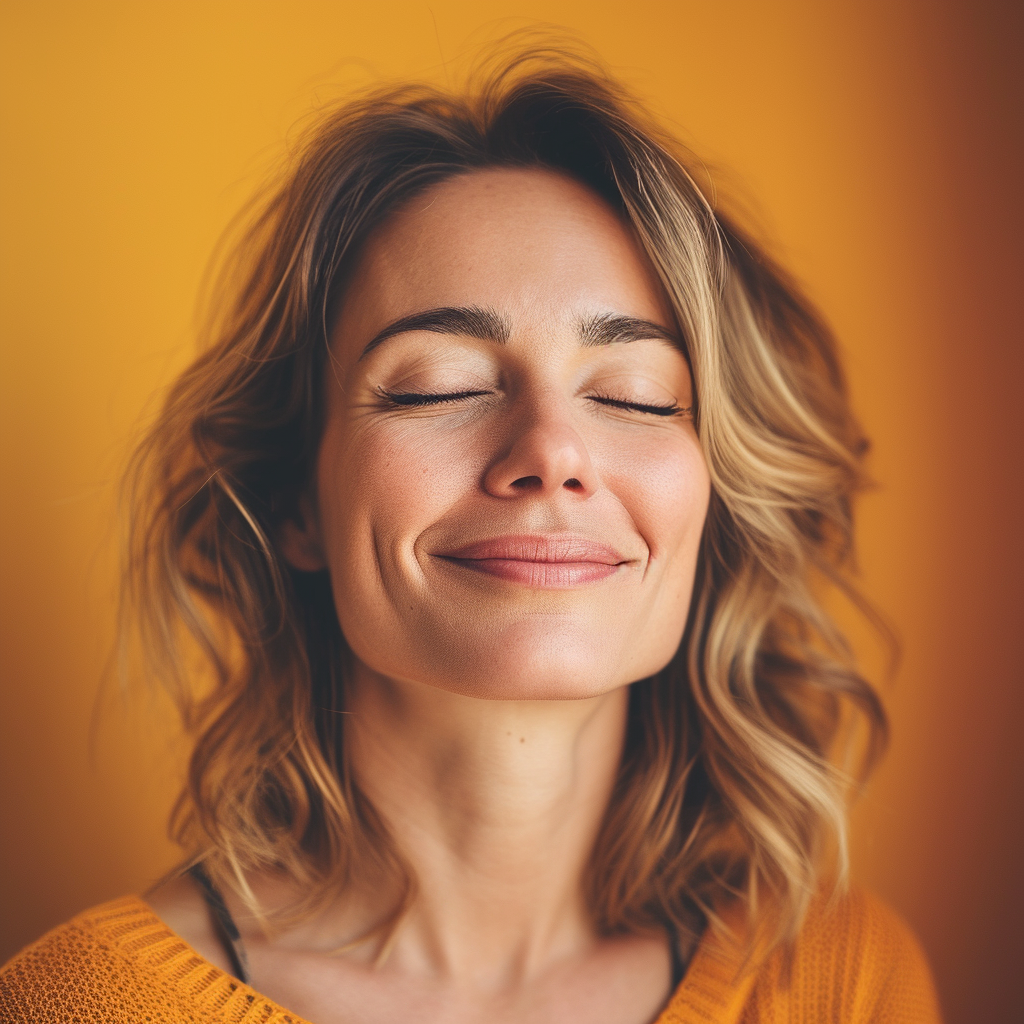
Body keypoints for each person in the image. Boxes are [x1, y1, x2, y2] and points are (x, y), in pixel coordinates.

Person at [0, 46, 942, 1023]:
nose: (549, 451)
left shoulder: (843, 982)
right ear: (293, 498)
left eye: (636, 395)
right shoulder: (80, 1004)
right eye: (438, 386)